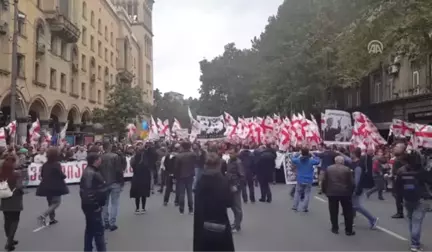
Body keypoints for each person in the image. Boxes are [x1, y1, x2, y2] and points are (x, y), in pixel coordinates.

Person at [193, 152, 234, 252]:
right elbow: (229, 202)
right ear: (219, 165)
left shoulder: (200, 181)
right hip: (220, 219)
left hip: (202, 220)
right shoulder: (223, 181)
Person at [395, 151, 432, 252]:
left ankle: (414, 240)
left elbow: (397, 188)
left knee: (412, 220)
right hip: (420, 198)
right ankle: (415, 244)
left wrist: (400, 200)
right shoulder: (422, 171)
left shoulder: (401, 171)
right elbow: (430, 181)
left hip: (407, 198)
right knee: (416, 222)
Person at [80, 152, 108, 252]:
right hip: (93, 206)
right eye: (99, 158)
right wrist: (96, 205)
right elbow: (87, 192)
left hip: (90, 205)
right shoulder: (91, 173)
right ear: (95, 161)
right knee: (98, 231)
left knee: (90, 230)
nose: (101, 160)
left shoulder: (90, 171)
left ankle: (88, 249)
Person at [322, 155, 355, 235]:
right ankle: (348, 230)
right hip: (345, 192)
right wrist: (351, 191)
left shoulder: (329, 168)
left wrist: (325, 191)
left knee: (333, 211)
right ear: (342, 162)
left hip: (332, 192)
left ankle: (335, 228)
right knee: (347, 211)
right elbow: (351, 182)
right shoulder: (347, 169)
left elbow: (324, 180)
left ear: (335, 161)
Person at [36, 147, 69, 226]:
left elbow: (42, 175)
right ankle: (43, 215)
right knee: (57, 202)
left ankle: (52, 219)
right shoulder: (57, 164)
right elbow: (60, 174)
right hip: (56, 186)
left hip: (46, 186)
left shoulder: (45, 165)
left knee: (50, 203)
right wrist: (64, 176)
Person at [0, 155, 24, 251]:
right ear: (13, 164)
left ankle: (10, 238)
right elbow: (19, 186)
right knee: (15, 220)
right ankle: (9, 242)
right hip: (15, 199)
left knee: (7, 220)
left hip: (4, 198)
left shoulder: (1, 175)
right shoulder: (17, 174)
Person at [352, 148, 379, 229]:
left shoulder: (358, 167)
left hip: (357, 188)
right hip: (358, 188)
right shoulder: (360, 166)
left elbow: (357, 180)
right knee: (353, 205)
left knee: (357, 206)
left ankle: (373, 219)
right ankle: (350, 220)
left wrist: (355, 189)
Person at [291, 148, 320, 212]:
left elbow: (292, 159)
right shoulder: (311, 161)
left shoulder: (298, 160)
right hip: (309, 179)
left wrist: (297, 154)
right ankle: (304, 208)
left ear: (302, 153)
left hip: (300, 179)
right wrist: (313, 155)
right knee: (307, 194)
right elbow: (318, 161)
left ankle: (295, 206)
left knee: (297, 193)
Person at [226, 147, 245, 233]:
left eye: (232, 153)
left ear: (236, 153)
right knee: (233, 206)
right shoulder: (230, 161)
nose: (230, 155)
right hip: (230, 185)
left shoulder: (238, 162)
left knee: (237, 207)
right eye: (229, 153)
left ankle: (237, 226)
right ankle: (235, 222)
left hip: (235, 186)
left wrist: (236, 186)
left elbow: (242, 176)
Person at [174, 141, 196, 214]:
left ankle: (181, 209)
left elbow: (176, 168)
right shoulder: (193, 154)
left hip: (181, 176)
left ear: (182, 147)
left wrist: (175, 177)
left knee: (181, 193)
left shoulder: (178, 156)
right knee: (189, 193)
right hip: (190, 175)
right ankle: (191, 209)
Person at [130, 143, 152, 214]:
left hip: (137, 177)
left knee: (137, 194)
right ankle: (143, 208)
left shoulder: (134, 157)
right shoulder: (147, 158)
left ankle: (137, 208)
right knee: (144, 194)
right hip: (145, 178)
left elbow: (132, 166)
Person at [392, 142, 408, 219]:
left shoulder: (402, 159)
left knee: (399, 196)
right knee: (397, 195)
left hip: (401, 180)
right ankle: (400, 211)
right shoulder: (398, 158)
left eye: (397, 147)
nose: (395, 148)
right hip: (398, 179)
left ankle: (400, 212)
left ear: (402, 149)